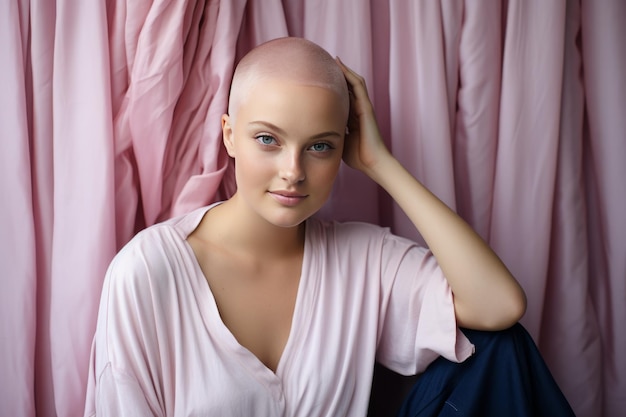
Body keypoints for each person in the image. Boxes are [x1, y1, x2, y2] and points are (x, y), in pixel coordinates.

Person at [84, 37, 574, 416]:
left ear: (345, 147)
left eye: (320, 146)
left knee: (501, 347)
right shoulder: (147, 273)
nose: (293, 171)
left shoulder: (363, 258)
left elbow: (500, 306)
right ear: (229, 136)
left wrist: (381, 164)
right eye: (267, 140)